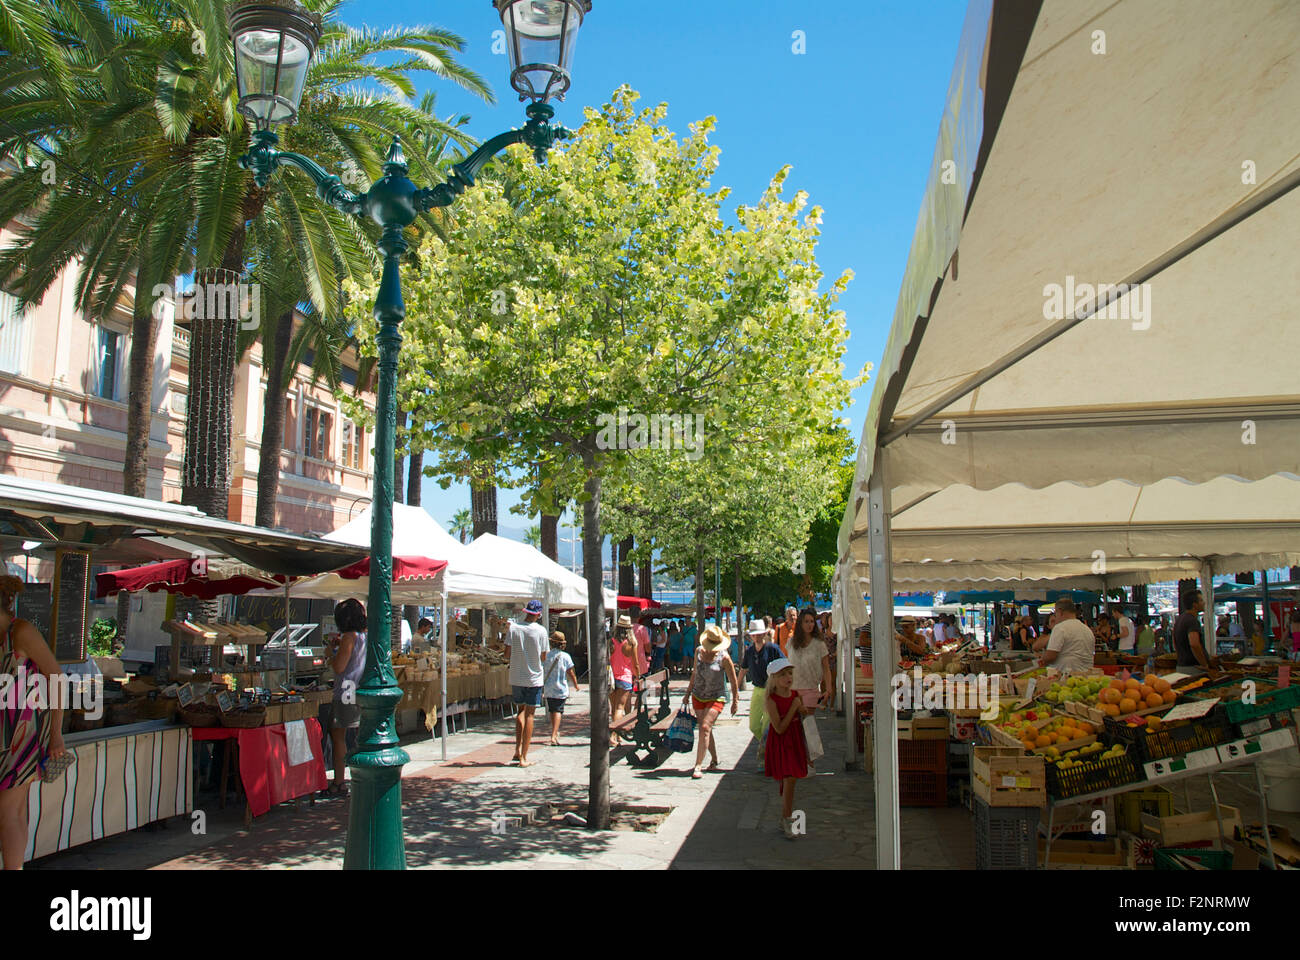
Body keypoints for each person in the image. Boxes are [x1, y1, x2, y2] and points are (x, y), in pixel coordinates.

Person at [0, 575, 66, 870]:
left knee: (9, 813)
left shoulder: (21, 631)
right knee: (13, 811)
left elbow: (56, 676)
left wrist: (56, 734)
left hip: (20, 736)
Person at [682, 625, 739, 779]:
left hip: (717, 696)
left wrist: (735, 701)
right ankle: (714, 759)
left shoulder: (724, 657)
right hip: (698, 695)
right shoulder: (698, 652)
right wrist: (687, 693)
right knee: (705, 729)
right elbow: (694, 673)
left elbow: (733, 681)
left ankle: (698, 765)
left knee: (705, 726)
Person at [764, 658, 810, 840]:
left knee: (792, 780)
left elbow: (802, 713)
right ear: (774, 678)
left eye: (790, 673)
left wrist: (803, 709)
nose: (788, 677)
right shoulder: (771, 700)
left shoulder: (795, 695)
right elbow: (779, 728)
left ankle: (786, 815)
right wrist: (794, 708)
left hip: (796, 740)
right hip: (782, 743)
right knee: (790, 779)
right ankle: (787, 818)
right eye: (783, 674)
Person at [324, 598, 367, 797]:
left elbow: (339, 666)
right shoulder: (365, 636)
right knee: (357, 735)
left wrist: (329, 654)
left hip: (346, 690)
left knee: (339, 735)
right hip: (359, 689)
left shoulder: (350, 637)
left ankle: (340, 781)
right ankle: (358, 776)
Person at [501, 599, 550, 766]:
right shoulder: (541, 631)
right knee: (530, 714)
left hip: (516, 676)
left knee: (520, 711)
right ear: (538, 614)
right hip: (534, 678)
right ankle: (524, 756)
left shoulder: (514, 628)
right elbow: (544, 656)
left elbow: (506, 653)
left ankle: (516, 749)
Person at [740, 618, 783, 763]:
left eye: (759, 634)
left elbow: (785, 665)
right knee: (753, 725)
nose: (757, 636)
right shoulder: (750, 651)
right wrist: (736, 690)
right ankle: (769, 745)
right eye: (754, 634)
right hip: (757, 689)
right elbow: (743, 669)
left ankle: (765, 757)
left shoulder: (772, 649)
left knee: (766, 725)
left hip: (771, 691)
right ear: (750, 636)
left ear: (764, 634)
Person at [788, 607, 832, 717]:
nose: (809, 624)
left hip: (810, 689)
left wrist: (828, 689)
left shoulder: (819, 644)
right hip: (792, 689)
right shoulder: (791, 642)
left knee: (808, 722)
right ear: (800, 623)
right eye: (806, 621)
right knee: (794, 724)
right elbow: (787, 666)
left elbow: (826, 668)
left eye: (812, 621)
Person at [1031, 597, 1093, 674]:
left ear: (1060, 611)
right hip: (1087, 674)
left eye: (1055, 613)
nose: (1056, 616)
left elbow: (1050, 656)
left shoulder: (1060, 628)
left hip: (1065, 675)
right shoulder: (1087, 630)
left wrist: (1043, 658)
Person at [609, 615, 645, 747]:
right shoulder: (631, 643)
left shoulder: (611, 641)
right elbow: (635, 664)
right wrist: (638, 676)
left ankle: (616, 735)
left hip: (611, 677)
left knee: (613, 708)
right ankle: (614, 735)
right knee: (620, 708)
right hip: (625, 677)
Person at [542, 632, 579, 746]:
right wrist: (576, 684)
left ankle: (555, 731)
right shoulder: (565, 656)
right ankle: (554, 735)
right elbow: (571, 672)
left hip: (548, 688)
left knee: (552, 710)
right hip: (560, 688)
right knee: (558, 710)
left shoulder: (546, 655)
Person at [1173, 589, 1215, 671]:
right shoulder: (1192, 621)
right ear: (1195, 605)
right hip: (1193, 668)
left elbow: (1174, 642)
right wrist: (1204, 664)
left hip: (1181, 665)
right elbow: (1194, 644)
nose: (1204, 603)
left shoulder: (1180, 619)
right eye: (1201, 600)